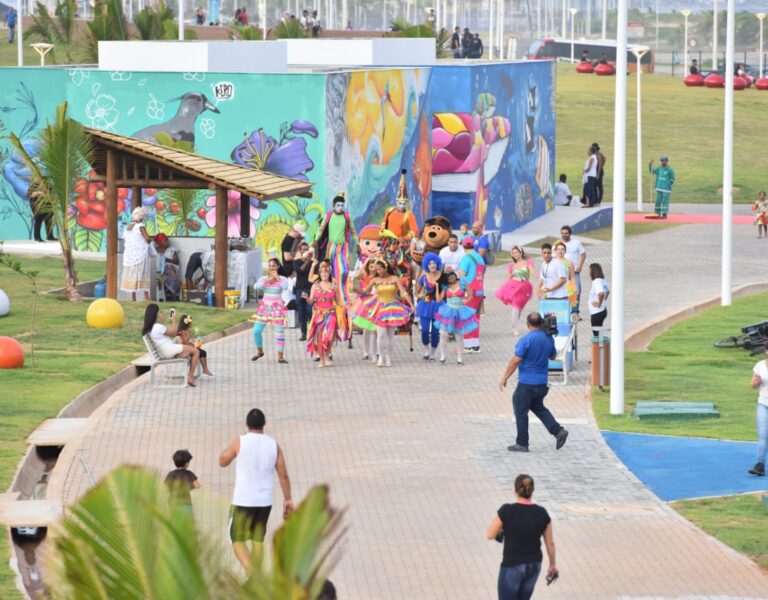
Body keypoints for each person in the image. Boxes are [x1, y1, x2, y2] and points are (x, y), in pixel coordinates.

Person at [219, 409, 294, 572]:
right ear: (264, 424)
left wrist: (227, 451)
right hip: (264, 502)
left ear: (246, 424)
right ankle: (255, 577)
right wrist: (288, 498)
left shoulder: (240, 441)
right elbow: (283, 474)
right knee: (257, 539)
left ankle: (254, 574)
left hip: (243, 500)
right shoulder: (274, 445)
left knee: (236, 539)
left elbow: (223, 461)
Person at [498, 312, 569, 453]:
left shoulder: (526, 340)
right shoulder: (548, 338)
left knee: (520, 410)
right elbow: (553, 356)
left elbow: (516, 360)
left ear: (527, 324)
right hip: (542, 383)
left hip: (527, 384)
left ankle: (522, 443)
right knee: (538, 407)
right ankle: (558, 431)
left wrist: (505, 377)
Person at [486, 474, 558, 600]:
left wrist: (502, 529)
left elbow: (490, 535)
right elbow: (550, 543)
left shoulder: (507, 511)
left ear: (515, 489)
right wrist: (552, 564)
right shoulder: (542, 513)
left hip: (512, 564)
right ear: (532, 490)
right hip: (534, 564)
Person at [353, 259, 414, 367]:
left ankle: (388, 357)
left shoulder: (394, 278)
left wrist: (411, 304)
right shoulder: (375, 280)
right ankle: (380, 356)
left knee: (390, 336)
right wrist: (355, 288)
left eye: (380, 269)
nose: (378, 272)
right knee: (380, 335)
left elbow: (403, 292)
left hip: (393, 308)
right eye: (376, 270)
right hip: (380, 308)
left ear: (385, 268)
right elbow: (365, 291)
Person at [142, 303, 200, 387]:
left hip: (166, 350)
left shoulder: (152, 327)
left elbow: (170, 334)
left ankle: (185, 353)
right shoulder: (157, 327)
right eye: (160, 312)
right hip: (168, 351)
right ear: (156, 314)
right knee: (196, 351)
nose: (162, 314)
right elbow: (174, 332)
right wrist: (173, 320)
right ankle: (190, 376)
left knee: (179, 339)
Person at [315, 193, 357, 305]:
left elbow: (353, 231)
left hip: (343, 247)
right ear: (334, 205)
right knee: (331, 271)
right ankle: (332, 296)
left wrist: (357, 243)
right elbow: (321, 229)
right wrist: (315, 240)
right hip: (331, 247)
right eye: (338, 205)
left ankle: (342, 296)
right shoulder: (328, 215)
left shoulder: (347, 216)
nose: (340, 207)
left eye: (342, 205)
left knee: (343, 270)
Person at [250, 258, 289, 364]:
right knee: (256, 331)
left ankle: (280, 356)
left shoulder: (283, 278)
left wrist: (277, 278)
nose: (271, 268)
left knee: (279, 332)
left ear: (278, 267)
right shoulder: (264, 278)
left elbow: (285, 287)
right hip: (264, 309)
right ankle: (260, 351)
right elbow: (256, 286)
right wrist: (268, 281)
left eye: (274, 266)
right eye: (270, 265)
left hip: (277, 309)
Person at [435, 270, 477, 365]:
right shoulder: (446, 287)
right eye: (449, 278)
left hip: (460, 311)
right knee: (443, 333)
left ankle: (459, 358)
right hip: (448, 312)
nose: (451, 278)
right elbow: (438, 299)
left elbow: (470, 295)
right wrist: (437, 287)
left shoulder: (462, 283)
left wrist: (466, 300)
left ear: (455, 275)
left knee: (459, 336)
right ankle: (443, 356)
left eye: (452, 276)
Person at [306, 260, 341, 368]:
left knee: (330, 336)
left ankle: (326, 355)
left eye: (326, 272)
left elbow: (338, 301)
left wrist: (347, 305)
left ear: (329, 273)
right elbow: (311, 301)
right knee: (319, 338)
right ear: (320, 274)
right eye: (322, 272)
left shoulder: (334, 286)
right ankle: (321, 360)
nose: (324, 274)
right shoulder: (315, 286)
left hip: (331, 314)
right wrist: (306, 298)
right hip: (318, 314)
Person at [495, 246, 535, 336]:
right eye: (513, 253)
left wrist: (539, 278)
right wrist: (502, 287)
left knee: (519, 309)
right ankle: (515, 328)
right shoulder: (512, 266)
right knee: (515, 308)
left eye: (516, 252)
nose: (515, 254)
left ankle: (514, 325)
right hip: (514, 287)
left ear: (520, 253)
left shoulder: (527, 263)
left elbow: (532, 271)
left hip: (525, 288)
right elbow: (509, 277)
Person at [415, 253, 444, 361]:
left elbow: (447, 288)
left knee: (436, 332)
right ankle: (426, 349)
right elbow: (416, 291)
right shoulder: (423, 277)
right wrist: (420, 295)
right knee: (425, 330)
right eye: (430, 264)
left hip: (438, 306)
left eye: (434, 263)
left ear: (438, 264)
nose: (432, 266)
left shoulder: (442, 276)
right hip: (425, 306)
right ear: (427, 265)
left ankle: (433, 353)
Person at [458, 238, 485, 353]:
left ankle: (468, 346)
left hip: (469, 292)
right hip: (479, 291)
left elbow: (461, 275)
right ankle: (475, 345)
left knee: (467, 318)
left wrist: (461, 290)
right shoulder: (480, 258)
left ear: (463, 246)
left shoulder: (466, 258)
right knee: (475, 318)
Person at [121, 207, 152, 301]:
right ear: (142, 218)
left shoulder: (128, 227)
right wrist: (151, 240)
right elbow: (147, 239)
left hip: (130, 256)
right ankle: (146, 296)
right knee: (143, 274)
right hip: (140, 255)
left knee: (132, 275)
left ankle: (133, 297)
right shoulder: (140, 226)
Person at [351, 259, 379, 361]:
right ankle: (366, 352)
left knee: (374, 329)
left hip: (376, 303)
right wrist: (365, 263)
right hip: (366, 302)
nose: (373, 269)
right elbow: (356, 276)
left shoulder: (379, 276)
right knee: (366, 329)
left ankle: (374, 353)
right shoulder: (365, 274)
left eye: (374, 267)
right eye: (371, 267)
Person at [382, 171, 418, 243]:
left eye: (404, 203)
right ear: (396, 202)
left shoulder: (409, 215)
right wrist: (382, 231)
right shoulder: (390, 210)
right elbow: (383, 223)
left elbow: (415, 231)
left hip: (401, 245)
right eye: (400, 203)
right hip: (388, 242)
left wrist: (405, 238)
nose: (402, 206)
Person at [559, 225, 586, 317]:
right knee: (563, 292)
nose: (564, 235)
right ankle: (563, 311)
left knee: (576, 291)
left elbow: (583, 254)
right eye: (562, 233)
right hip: (562, 272)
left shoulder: (576, 243)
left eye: (566, 233)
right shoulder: (557, 244)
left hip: (574, 271)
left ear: (570, 234)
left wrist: (580, 265)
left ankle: (575, 312)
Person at [749, 345, 768, 476]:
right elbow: (753, 385)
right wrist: (756, 382)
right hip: (763, 404)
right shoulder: (760, 365)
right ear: (766, 351)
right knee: (763, 435)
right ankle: (760, 465)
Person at [293, 242, 316, 340]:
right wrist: (307, 261)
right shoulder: (296, 262)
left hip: (310, 290)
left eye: (307, 249)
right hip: (299, 290)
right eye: (304, 249)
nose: (306, 251)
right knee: (301, 311)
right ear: (300, 250)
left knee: (310, 310)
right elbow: (300, 271)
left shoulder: (313, 263)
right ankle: (303, 333)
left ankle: (312, 332)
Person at [153, 233, 181, 300]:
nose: (167, 242)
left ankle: (173, 293)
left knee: (169, 268)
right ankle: (170, 294)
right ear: (160, 242)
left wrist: (166, 259)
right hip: (159, 271)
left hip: (170, 270)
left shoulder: (171, 250)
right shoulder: (155, 251)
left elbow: (176, 261)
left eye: (167, 240)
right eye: (165, 240)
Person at [27, 178, 56, 242]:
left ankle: (50, 236)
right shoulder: (35, 183)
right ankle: (37, 237)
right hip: (36, 203)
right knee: (39, 218)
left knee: (49, 219)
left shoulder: (48, 183)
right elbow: (30, 194)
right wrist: (39, 193)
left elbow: (51, 193)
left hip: (47, 202)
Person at [587, 263, 609, 337]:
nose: (588, 272)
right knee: (599, 332)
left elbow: (601, 293)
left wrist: (599, 303)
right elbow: (608, 291)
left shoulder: (596, 282)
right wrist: (603, 301)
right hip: (602, 310)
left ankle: (599, 347)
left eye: (589, 270)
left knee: (596, 334)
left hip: (597, 312)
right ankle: (601, 346)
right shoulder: (602, 280)